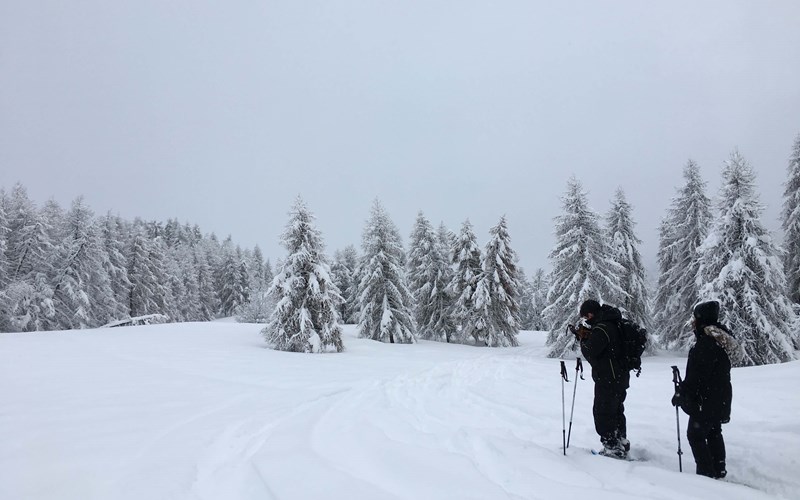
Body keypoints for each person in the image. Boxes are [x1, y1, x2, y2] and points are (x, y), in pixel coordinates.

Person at [672, 300, 741, 479]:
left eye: (695, 317)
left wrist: (682, 393)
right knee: (713, 431)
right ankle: (718, 468)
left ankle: (706, 474)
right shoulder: (718, 340)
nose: (693, 321)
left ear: (701, 319)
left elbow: (697, 377)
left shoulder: (706, 344)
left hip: (706, 400)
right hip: (720, 397)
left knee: (695, 435)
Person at [573, 299, 630, 459]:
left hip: (608, 378)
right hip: (620, 377)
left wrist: (583, 339)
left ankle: (612, 447)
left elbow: (591, 352)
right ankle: (621, 442)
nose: (586, 320)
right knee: (617, 411)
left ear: (591, 313)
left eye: (586, 316)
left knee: (603, 412)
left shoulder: (603, 328)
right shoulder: (613, 323)